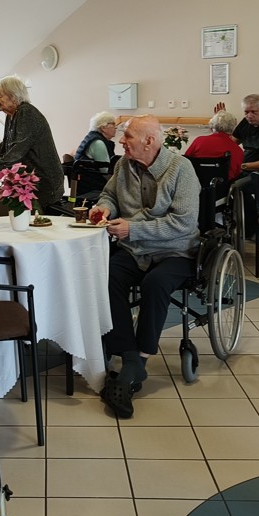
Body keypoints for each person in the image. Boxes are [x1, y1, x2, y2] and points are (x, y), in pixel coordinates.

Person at [88, 115, 200, 419]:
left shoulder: (181, 169)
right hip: (136, 249)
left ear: (149, 141)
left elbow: (183, 222)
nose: (121, 141)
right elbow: (109, 194)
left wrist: (133, 229)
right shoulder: (123, 165)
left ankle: (141, 356)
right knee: (107, 277)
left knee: (155, 283)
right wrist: (104, 208)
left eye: (128, 136)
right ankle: (130, 359)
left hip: (176, 250)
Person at [0, 75, 64, 210]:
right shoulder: (12, 115)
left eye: (0, 95)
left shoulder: (27, 113)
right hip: (29, 180)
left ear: (13, 96)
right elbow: (5, 145)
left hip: (44, 182)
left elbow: (17, 150)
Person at [184, 110, 244, 180]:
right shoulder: (237, 150)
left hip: (196, 183)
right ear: (233, 129)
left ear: (211, 126)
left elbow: (185, 161)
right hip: (223, 186)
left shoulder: (199, 141)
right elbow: (236, 174)